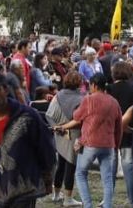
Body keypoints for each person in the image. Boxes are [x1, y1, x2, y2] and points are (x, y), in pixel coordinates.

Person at [0, 72, 56, 207]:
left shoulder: (27, 116)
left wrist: (47, 177)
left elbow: (46, 148)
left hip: (25, 185)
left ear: (6, 89)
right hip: (1, 186)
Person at [57, 73, 123, 208]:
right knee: (107, 179)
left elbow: (76, 116)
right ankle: (108, 205)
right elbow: (119, 126)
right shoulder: (114, 102)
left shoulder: (88, 100)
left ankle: (88, 205)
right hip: (109, 144)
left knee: (80, 173)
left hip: (90, 143)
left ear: (93, 85)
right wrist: (116, 145)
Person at [46, 72, 85, 206]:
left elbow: (49, 114)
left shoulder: (58, 96)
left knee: (61, 164)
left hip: (59, 134)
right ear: (79, 83)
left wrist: (57, 128)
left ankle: (56, 194)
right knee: (71, 165)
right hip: (74, 133)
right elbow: (81, 119)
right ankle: (68, 198)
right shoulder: (82, 98)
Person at [107, 61, 133, 206]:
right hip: (128, 129)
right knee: (128, 165)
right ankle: (132, 199)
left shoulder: (109, 89)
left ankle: (107, 199)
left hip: (111, 131)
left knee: (110, 165)